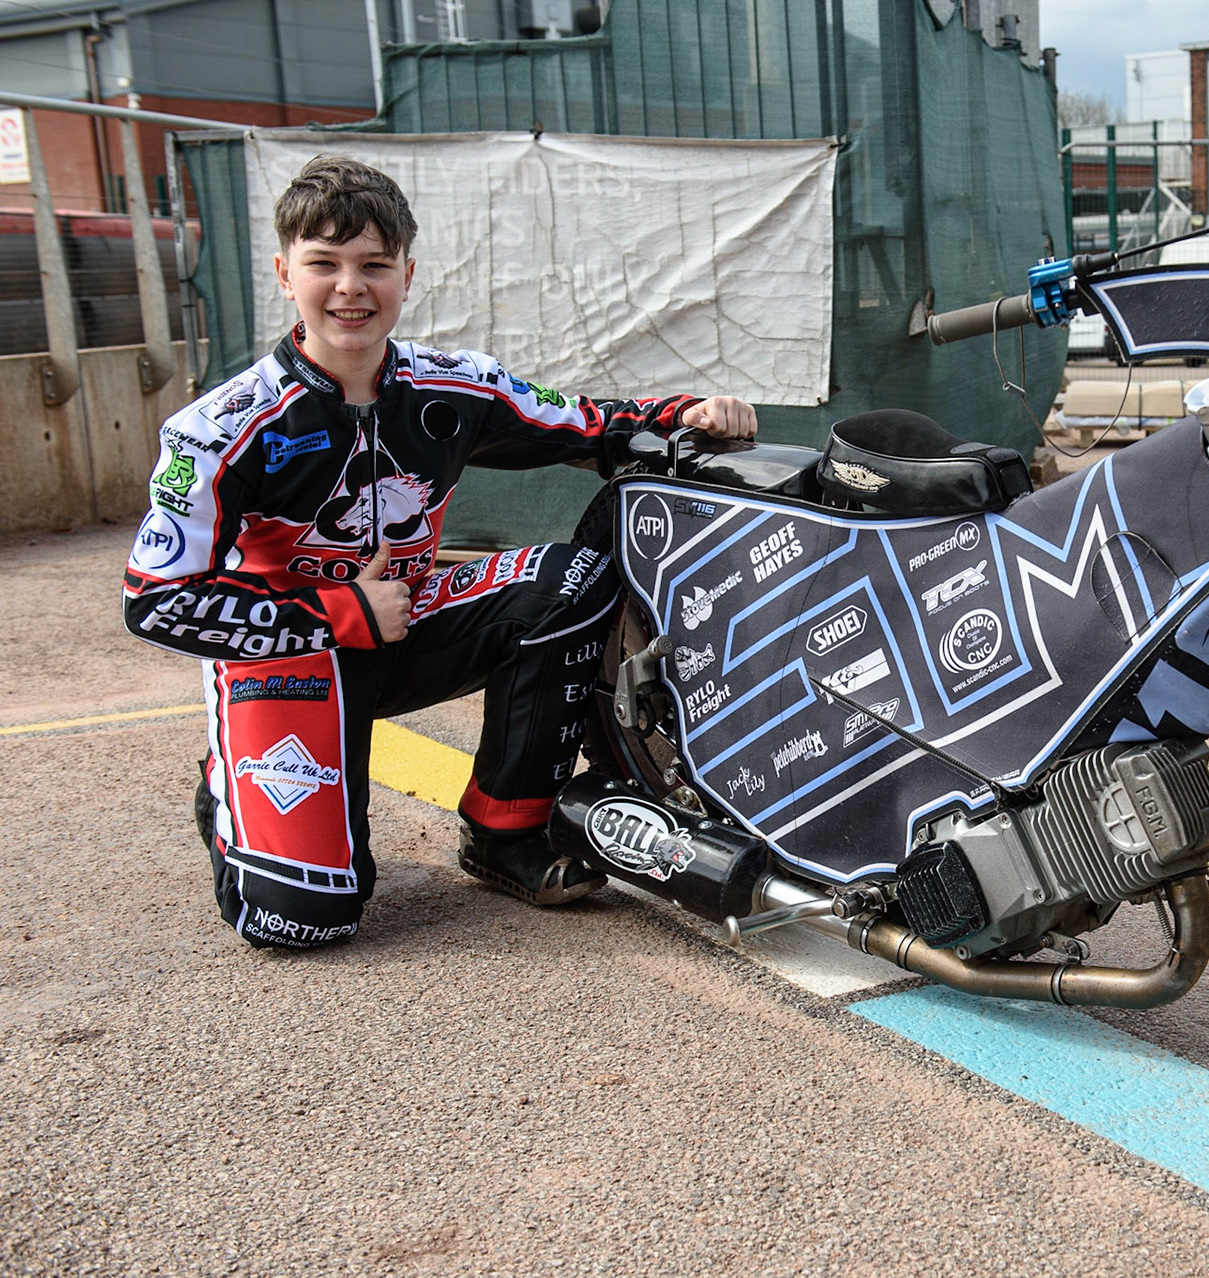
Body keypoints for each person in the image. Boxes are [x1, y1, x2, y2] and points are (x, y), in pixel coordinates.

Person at [123, 155, 757, 950]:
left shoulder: (457, 387)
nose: (350, 286)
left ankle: (504, 836)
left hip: (407, 625)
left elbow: (592, 425)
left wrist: (688, 412)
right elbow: (156, 601)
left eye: (373, 266)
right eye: (324, 263)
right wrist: (338, 614)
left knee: (571, 579)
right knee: (303, 920)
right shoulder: (217, 430)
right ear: (286, 273)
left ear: (407, 276)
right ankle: (228, 794)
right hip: (290, 656)